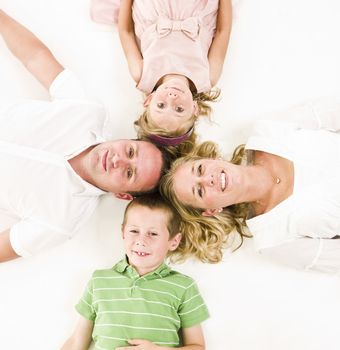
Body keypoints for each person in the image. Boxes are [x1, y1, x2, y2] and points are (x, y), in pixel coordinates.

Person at [0, 11, 169, 262]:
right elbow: (35, 57)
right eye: (130, 152)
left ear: (122, 195)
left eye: (129, 173)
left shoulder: (63, 220)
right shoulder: (88, 112)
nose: (118, 161)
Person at [160, 97, 340, 273]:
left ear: (210, 159)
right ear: (212, 210)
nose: (208, 179)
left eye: (199, 169)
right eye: (199, 191)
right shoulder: (272, 240)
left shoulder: (269, 130)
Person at [61, 194, 209, 350]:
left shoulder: (183, 286)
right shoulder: (99, 281)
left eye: (153, 234)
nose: (141, 240)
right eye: (134, 231)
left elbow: (197, 346)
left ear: (174, 241)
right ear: (123, 232)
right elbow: (77, 341)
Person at [90, 0, 231, 145]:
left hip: (153, 7)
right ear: (195, 109)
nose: (172, 98)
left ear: (149, 100)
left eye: (161, 105)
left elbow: (126, 32)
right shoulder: (208, 77)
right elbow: (222, 31)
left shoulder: (141, 74)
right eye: (179, 109)